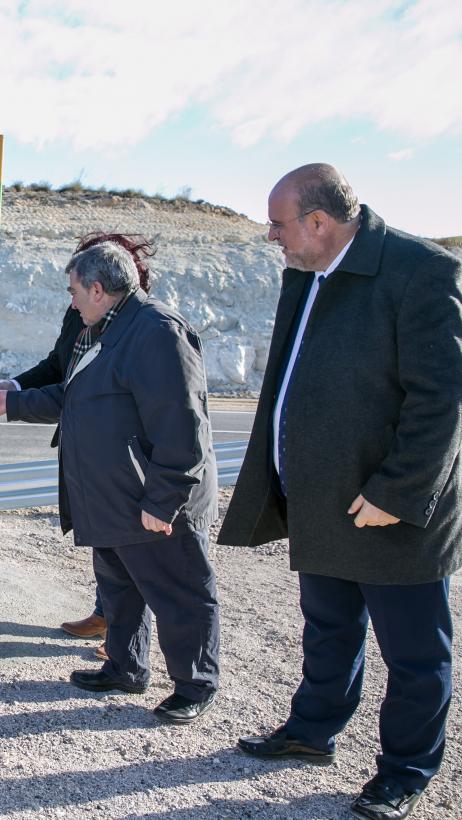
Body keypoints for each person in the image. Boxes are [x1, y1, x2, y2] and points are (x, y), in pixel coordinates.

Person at [221, 164, 462, 820]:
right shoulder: (309, 272)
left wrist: (398, 490)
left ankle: (406, 771)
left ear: (321, 222)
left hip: (392, 508)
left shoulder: (421, 271)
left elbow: (441, 402)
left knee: (414, 652)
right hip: (323, 496)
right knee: (329, 628)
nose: (271, 235)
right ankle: (313, 730)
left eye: (279, 223)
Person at [0, 241, 219, 724]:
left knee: (179, 590)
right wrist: (14, 401)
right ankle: (126, 666)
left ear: (96, 288)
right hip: (115, 497)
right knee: (120, 587)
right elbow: (75, 396)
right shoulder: (106, 327)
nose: (70, 302)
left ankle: (196, 684)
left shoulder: (156, 332)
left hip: (150, 498)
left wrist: (165, 497)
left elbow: (182, 425)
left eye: (73, 292)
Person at [0, 232, 156, 657]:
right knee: (104, 538)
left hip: (118, 451)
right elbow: (57, 365)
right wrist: (13, 385)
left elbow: (76, 392)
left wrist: (13, 404)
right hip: (85, 445)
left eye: (78, 286)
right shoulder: (80, 312)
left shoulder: (134, 323)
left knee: (129, 549)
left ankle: (127, 639)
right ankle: (108, 616)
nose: (72, 297)